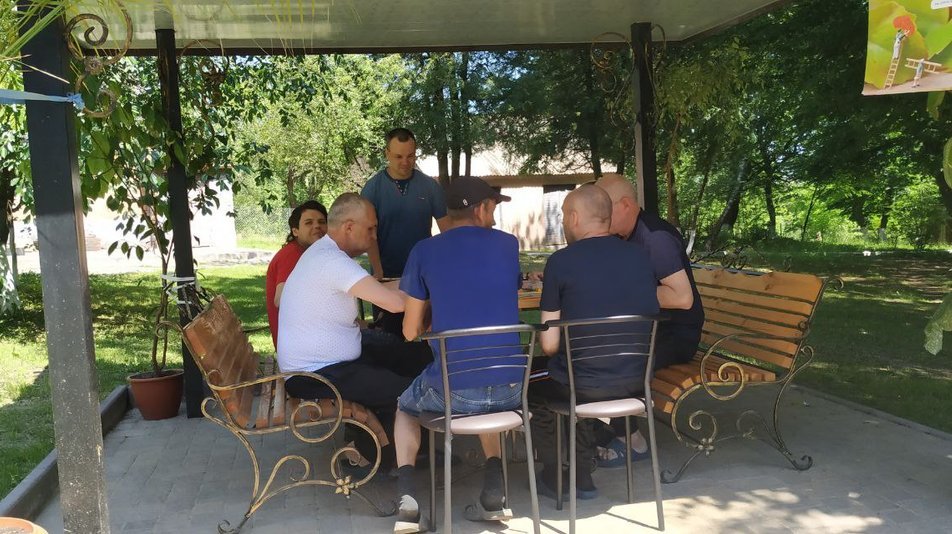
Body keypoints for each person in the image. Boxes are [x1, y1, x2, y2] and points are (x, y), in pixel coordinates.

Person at [392, 177, 522, 532]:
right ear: (480, 209)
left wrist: (433, 318)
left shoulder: (424, 251)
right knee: (488, 392)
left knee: (405, 407)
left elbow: (409, 331)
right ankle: (493, 492)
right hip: (513, 389)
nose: (494, 216)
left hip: (454, 392)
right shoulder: (508, 244)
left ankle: (407, 500)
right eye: (493, 208)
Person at [277, 193, 429, 471]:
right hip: (315, 375)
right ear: (349, 227)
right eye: (370, 228)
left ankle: (406, 447)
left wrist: (422, 282)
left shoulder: (325, 253)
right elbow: (395, 304)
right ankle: (383, 456)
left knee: (408, 355)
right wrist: (432, 292)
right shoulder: (332, 261)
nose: (374, 236)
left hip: (322, 365)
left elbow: (381, 289)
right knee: (409, 389)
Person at [528, 184, 659, 500]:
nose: (563, 221)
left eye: (563, 215)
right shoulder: (641, 256)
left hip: (583, 383)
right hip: (636, 381)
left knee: (529, 385)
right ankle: (582, 472)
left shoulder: (561, 262)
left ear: (574, 217)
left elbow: (549, 345)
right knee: (574, 373)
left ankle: (558, 476)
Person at [593, 174, 704, 467]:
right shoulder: (623, 236)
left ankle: (634, 442)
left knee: (617, 361)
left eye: (604, 208)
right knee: (590, 349)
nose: (599, 215)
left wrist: (625, 292)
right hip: (648, 330)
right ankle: (604, 425)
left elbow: (682, 298)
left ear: (626, 205)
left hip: (675, 335)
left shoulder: (656, 238)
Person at [361, 128, 450, 336]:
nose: (405, 162)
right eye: (398, 156)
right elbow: (368, 235)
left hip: (424, 277)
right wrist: (378, 271)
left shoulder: (430, 186)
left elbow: (447, 232)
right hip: (388, 277)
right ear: (387, 154)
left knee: (425, 336)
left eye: (410, 156)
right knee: (389, 338)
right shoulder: (372, 189)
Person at [265, 200, 327, 349]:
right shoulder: (293, 254)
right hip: (300, 348)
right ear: (295, 231)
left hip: (307, 339)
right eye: (308, 223)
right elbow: (281, 299)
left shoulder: (310, 252)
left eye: (322, 222)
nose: (317, 226)